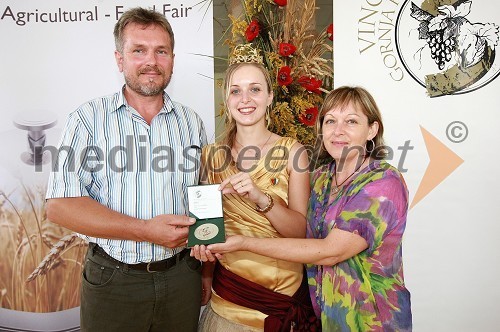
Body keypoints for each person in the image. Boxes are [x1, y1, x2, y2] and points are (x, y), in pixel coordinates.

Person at [197, 86, 412, 331]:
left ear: (372, 129)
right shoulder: (320, 179)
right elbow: (295, 228)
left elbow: (330, 252)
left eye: (351, 121)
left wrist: (242, 243)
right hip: (323, 318)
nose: (338, 131)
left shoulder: (383, 183)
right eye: (330, 121)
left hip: (370, 320)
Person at [45, 7, 207, 332]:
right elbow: (59, 205)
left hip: (182, 278)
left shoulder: (192, 122)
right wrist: (144, 230)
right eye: (139, 51)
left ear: (172, 58)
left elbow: (203, 198)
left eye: (161, 51)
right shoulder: (87, 120)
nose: (152, 61)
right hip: (113, 282)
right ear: (120, 59)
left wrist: (206, 272)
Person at [192, 46, 316, 331]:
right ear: (226, 99)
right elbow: (209, 227)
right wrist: (205, 271)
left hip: (280, 301)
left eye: (255, 89)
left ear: (270, 96)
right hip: (228, 304)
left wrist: (262, 198)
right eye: (236, 91)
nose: (245, 99)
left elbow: (300, 232)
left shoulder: (293, 152)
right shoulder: (211, 156)